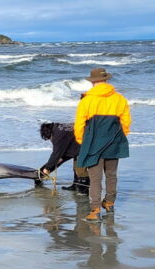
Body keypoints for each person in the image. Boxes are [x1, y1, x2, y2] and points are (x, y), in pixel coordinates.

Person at [73, 68, 131, 222]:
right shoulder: (120, 99)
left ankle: (96, 210)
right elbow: (126, 123)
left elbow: (79, 125)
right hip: (114, 141)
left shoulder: (87, 100)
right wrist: (119, 137)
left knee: (95, 178)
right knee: (111, 175)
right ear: (106, 80)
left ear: (93, 82)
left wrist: (81, 141)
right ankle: (110, 203)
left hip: (93, 142)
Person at [39, 122, 91, 193]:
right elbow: (65, 147)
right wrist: (61, 158)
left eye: (49, 137)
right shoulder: (59, 127)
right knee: (76, 168)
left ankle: (84, 190)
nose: (50, 139)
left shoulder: (58, 135)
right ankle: (76, 185)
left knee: (80, 168)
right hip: (80, 142)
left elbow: (56, 154)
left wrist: (47, 168)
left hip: (85, 144)